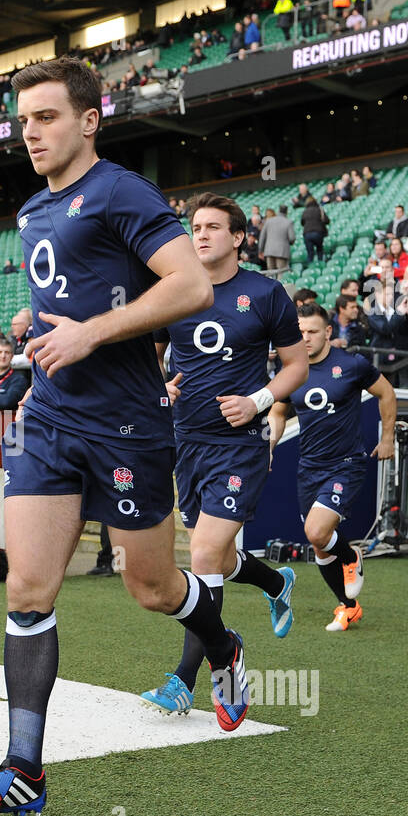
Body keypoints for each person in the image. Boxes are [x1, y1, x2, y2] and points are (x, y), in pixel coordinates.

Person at [0, 57, 219, 816]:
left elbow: (191, 284)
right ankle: (23, 770)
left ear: (89, 120)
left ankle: (221, 645)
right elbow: (71, 303)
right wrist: (44, 343)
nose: (31, 132)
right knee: (27, 588)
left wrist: (94, 332)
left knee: (151, 588)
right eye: (23, 119)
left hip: (129, 427)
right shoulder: (33, 210)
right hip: (53, 423)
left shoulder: (121, 191)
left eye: (48, 117)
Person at [147, 190, 307, 722]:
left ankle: (190, 678)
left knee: (201, 556)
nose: (201, 233)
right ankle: (274, 581)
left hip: (239, 446)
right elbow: (149, 361)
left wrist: (259, 400)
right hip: (186, 443)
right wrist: (159, 387)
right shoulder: (173, 291)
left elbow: (295, 366)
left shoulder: (265, 294)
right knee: (213, 557)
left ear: (239, 238)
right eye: (196, 225)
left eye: (214, 226)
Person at [269, 304, 396, 631]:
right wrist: (268, 445)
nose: (305, 338)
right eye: (300, 332)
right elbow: (279, 412)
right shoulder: (291, 370)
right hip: (308, 467)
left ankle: (352, 557)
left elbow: (386, 392)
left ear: (328, 332)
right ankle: (348, 606)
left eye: (312, 331)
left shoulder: (352, 364)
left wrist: (388, 437)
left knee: (317, 531)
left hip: (345, 464)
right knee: (318, 543)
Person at [257, 204, 295, 274]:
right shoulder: (288, 222)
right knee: (281, 273)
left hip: (269, 251)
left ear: (278, 211)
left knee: (270, 274)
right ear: (286, 212)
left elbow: (262, 237)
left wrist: (260, 251)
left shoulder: (269, 221)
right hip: (282, 252)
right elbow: (292, 238)